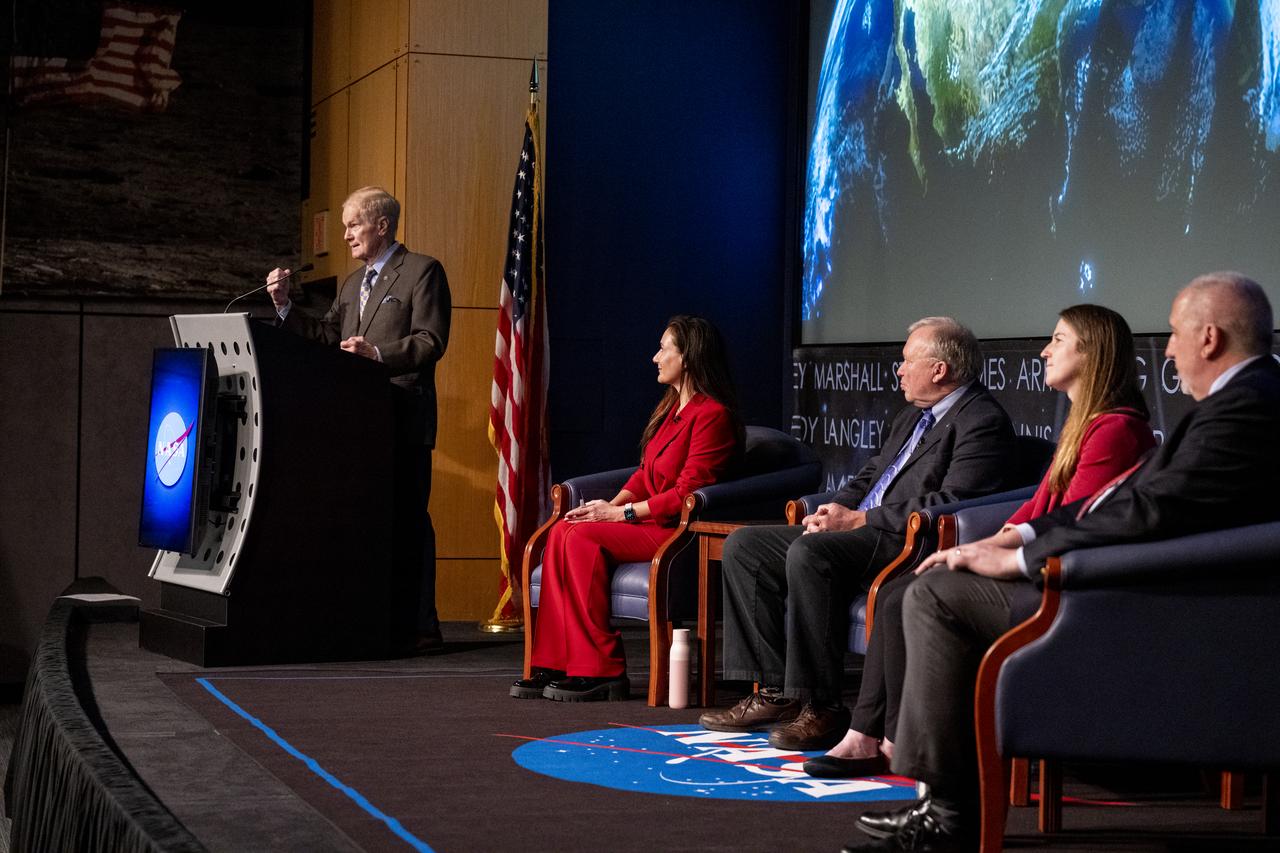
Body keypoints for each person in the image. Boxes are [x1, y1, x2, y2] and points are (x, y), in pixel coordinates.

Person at [845, 273, 1280, 852]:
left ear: (1209, 338)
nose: (1168, 351)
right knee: (935, 584)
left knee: (933, 596)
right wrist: (1014, 539)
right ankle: (940, 805)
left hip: (1148, 601)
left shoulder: (1245, 408)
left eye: (1175, 334)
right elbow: (1117, 502)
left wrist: (1023, 558)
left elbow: (1149, 513)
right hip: (1139, 584)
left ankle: (946, 814)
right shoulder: (1241, 400)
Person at [807, 304, 1155, 779]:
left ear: (1092, 354)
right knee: (895, 592)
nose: (1044, 351)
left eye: (1058, 340)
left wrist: (996, 554)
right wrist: (982, 544)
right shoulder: (1086, 423)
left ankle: (893, 741)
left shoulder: (1116, 429)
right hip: (1043, 566)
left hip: (1063, 583)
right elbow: (1036, 508)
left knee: (907, 594)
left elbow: (1074, 522)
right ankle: (870, 736)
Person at [699, 318, 1015, 751]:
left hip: (904, 539)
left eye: (907, 361)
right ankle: (775, 694)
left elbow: (953, 501)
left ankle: (821, 707)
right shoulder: (912, 415)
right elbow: (871, 475)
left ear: (939, 369)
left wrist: (860, 520)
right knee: (745, 547)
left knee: (811, 553)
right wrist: (835, 509)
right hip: (862, 528)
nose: (899, 370)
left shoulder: (981, 420)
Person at [511, 315, 742, 702]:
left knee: (579, 537)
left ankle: (601, 669)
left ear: (688, 357)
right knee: (564, 529)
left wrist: (622, 514)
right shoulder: (673, 409)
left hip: (679, 530)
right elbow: (645, 472)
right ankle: (555, 661)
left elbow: (687, 492)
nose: (655, 357)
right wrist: (608, 505)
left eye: (664, 349)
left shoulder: (713, 416)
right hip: (650, 522)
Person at [265, 186, 451, 656]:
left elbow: (430, 340)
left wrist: (377, 354)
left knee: (408, 522)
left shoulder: (422, 271)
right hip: (356, 427)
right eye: (346, 226)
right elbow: (327, 336)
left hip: (402, 419)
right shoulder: (351, 284)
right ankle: (373, 622)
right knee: (366, 522)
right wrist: (285, 306)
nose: (346, 234)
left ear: (381, 225)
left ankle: (422, 626)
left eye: (353, 225)